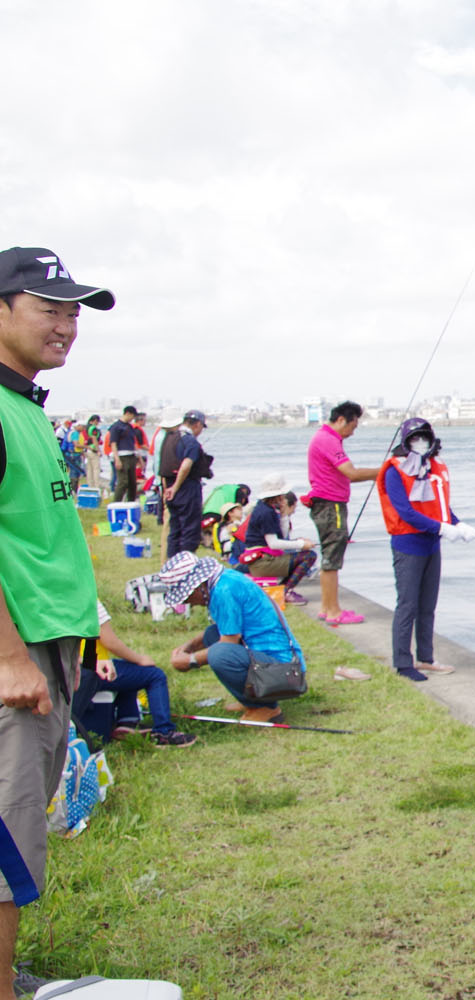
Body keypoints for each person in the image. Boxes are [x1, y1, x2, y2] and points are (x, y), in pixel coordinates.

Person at [0, 245, 113, 1000]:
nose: (67, 323)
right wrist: (8, 659)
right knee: (7, 834)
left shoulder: (28, 405)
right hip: (18, 652)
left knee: (21, 821)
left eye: (75, 310)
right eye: (50, 307)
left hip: (52, 642)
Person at [376, 418, 475, 682]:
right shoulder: (395, 471)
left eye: (423, 437)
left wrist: (459, 524)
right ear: (404, 442)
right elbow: (407, 513)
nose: (419, 443)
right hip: (408, 545)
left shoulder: (432, 467)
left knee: (428, 605)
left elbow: (440, 507)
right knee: (407, 605)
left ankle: (426, 657)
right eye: (414, 438)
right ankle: (403, 662)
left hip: (432, 545)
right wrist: (443, 529)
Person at [161, 553, 304, 726]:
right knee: (212, 635)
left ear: (197, 586)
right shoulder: (223, 580)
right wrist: (189, 647)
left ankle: (265, 708)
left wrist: (191, 660)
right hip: (275, 665)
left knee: (220, 655)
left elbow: (229, 642)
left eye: (188, 597)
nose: (189, 602)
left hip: (286, 672)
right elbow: (221, 631)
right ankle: (250, 700)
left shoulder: (224, 591)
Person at [74, 602, 196, 748]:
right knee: (154, 675)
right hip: (95, 667)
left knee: (128, 669)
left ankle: (127, 720)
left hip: (74, 665)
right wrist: (139, 659)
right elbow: (109, 641)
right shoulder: (89, 598)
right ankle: (164, 732)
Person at [304, 401, 379, 626]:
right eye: (352, 427)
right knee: (332, 559)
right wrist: (384, 470)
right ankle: (334, 611)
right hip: (330, 505)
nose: (352, 432)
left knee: (330, 556)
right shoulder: (327, 440)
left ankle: (327, 607)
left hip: (326, 504)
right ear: (340, 420)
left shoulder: (324, 438)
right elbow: (352, 474)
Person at [239, 473, 318, 607]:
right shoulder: (266, 513)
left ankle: (283, 590)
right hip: (263, 562)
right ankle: (286, 590)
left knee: (303, 555)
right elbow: (274, 543)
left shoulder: (265, 509)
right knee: (309, 556)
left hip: (262, 559)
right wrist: (301, 544)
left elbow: (281, 536)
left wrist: (283, 516)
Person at [161, 409, 210, 559]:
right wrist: (176, 487)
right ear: (197, 424)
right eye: (202, 427)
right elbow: (186, 465)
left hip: (169, 487)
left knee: (175, 530)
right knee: (190, 530)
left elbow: (163, 467)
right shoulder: (190, 441)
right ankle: (186, 566)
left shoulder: (169, 438)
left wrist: (167, 489)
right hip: (186, 488)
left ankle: (172, 564)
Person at [106, 404, 140, 503]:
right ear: (128, 414)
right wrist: (117, 459)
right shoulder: (116, 427)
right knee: (123, 482)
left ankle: (131, 503)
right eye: (133, 416)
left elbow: (133, 443)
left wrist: (139, 458)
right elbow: (113, 444)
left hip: (131, 456)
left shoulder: (130, 427)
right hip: (121, 456)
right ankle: (116, 503)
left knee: (132, 482)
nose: (133, 419)